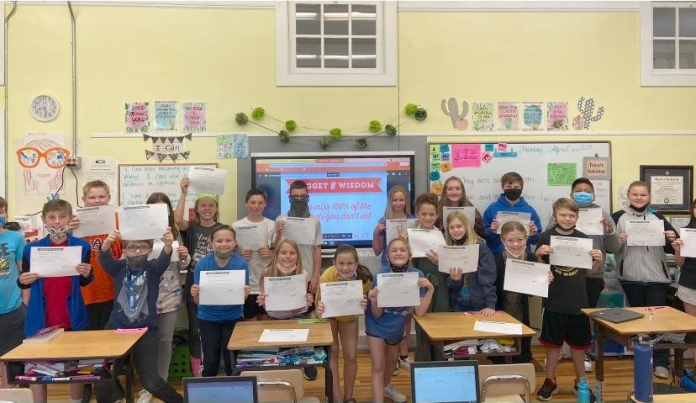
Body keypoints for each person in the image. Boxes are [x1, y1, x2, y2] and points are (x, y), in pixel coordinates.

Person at [94, 228, 183, 403]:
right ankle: (118, 396)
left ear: (149, 251)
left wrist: (167, 244)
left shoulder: (153, 268)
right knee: (101, 377)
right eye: (132, 247)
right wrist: (107, 243)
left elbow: (164, 258)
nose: (137, 251)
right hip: (116, 330)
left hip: (146, 332)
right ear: (124, 251)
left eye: (143, 247)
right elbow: (104, 258)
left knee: (151, 382)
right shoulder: (118, 268)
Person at [19, 199, 92, 403]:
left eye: (62, 217)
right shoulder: (31, 249)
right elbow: (24, 280)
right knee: (36, 370)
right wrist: (22, 280)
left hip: (72, 317)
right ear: (44, 219)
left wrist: (87, 273)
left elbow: (84, 281)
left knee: (75, 368)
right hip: (40, 318)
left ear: (70, 219)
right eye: (52, 217)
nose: (57, 222)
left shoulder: (82, 246)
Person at [548, 177, 620, 371]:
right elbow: (548, 238)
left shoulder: (602, 213)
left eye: (587, 191)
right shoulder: (561, 212)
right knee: (559, 313)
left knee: (583, 316)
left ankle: (584, 351)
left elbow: (614, 247)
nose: (583, 193)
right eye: (579, 190)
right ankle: (558, 348)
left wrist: (610, 231)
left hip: (591, 275)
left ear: (594, 194)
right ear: (571, 194)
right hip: (562, 274)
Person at [535, 198, 603, 402]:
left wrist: (598, 262)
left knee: (579, 347)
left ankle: (581, 382)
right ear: (555, 216)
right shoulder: (545, 237)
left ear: (577, 217)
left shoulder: (584, 239)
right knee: (552, 345)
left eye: (571, 215)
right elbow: (539, 272)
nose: (567, 218)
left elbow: (588, 272)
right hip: (554, 301)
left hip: (578, 301)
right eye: (563, 215)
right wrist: (538, 255)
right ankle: (550, 381)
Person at [612, 180, 678, 379]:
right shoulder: (618, 217)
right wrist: (617, 240)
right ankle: (642, 360)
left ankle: (660, 362)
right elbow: (608, 247)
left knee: (658, 322)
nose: (639, 198)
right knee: (638, 322)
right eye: (635, 194)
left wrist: (671, 237)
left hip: (657, 278)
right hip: (630, 277)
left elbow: (672, 247)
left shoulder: (658, 217)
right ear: (628, 196)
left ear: (649, 197)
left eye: (643, 195)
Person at [69, 180, 122, 403]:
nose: (97, 201)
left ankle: (109, 388)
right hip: (85, 295)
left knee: (109, 345)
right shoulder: (74, 223)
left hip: (112, 292)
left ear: (109, 198)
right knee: (85, 345)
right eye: (92, 197)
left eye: (102, 196)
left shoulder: (117, 221)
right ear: (84, 200)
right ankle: (85, 385)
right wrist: (68, 231)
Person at [365, 237, 434, 403]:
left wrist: (430, 289)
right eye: (394, 250)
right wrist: (374, 301)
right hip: (377, 325)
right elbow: (377, 314)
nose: (398, 253)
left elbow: (419, 312)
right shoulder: (380, 276)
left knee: (391, 363)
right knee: (378, 366)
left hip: (397, 326)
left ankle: (386, 387)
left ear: (410, 256)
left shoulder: (417, 275)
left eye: (403, 250)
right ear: (387, 256)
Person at [137, 192, 191, 403]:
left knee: (165, 340)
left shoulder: (174, 232)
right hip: (144, 295)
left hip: (170, 293)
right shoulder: (139, 232)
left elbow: (183, 264)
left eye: (163, 208)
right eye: (155, 208)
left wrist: (184, 256)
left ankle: (161, 384)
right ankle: (147, 386)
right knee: (145, 342)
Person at [273, 180, 322, 380]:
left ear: (308, 197)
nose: (299, 199)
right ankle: (286, 360)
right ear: (289, 197)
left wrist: (316, 276)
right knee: (284, 318)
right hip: (284, 276)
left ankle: (306, 360)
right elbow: (274, 248)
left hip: (306, 276)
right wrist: (278, 232)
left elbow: (317, 250)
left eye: (303, 196)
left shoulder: (315, 221)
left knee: (305, 319)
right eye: (295, 196)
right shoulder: (281, 219)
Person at [175, 177, 222, 376]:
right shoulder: (192, 228)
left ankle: (214, 366)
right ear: (197, 209)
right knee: (195, 330)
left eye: (211, 205)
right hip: (194, 287)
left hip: (218, 287)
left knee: (216, 329)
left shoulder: (222, 229)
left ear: (216, 208)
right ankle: (198, 371)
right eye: (203, 205)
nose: (207, 208)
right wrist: (183, 193)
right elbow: (178, 220)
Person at [191, 225, 250, 377]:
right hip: (208, 319)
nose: (224, 244)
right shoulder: (202, 264)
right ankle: (208, 390)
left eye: (228, 240)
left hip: (233, 318)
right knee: (210, 362)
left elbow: (242, 298)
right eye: (219, 241)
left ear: (235, 243)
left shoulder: (241, 264)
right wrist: (195, 293)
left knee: (232, 362)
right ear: (212, 243)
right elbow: (197, 301)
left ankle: (235, 389)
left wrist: (245, 294)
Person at [315, 245, 372, 403]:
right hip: (331, 316)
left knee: (351, 356)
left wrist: (365, 304)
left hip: (349, 317)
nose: (345, 268)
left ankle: (349, 396)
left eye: (349, 263)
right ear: (334, 263)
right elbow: (318, 310)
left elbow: (367, 305)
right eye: (341, 263)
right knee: (332, 354)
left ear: (356, 263)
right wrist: (320, 309)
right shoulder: (326, 277)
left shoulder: (365, 279)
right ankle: (337, 397)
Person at [494, 221, 552, 364]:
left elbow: (535, 291)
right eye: (510, 240)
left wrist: (544, 279)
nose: (515, 244)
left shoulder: (531, 258)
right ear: (503, 240)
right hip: (503, 313)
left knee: (523, 351)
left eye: (520, 239)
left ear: (526, 239)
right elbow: (493, 289)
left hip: (524, 315)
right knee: (502, 353)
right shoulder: (497, 261)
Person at [371, 185, 414, 374]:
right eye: (395, 199)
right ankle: (392, 356)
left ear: (406, 201)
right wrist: (376, 233)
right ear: (390, 201)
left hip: (407, 271)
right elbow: (377, 251)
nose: (398, 203)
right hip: (387, 271)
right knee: (390, 313)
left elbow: (414, 250)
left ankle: (403, 355)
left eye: (401, 199)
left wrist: (406, 240)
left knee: (406, 314)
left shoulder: (413, 221)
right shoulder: (383, 221)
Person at [410, 193, 449, 361]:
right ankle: (422, 365)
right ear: (417, 214)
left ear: (437, 215)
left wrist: (442, 262)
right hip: (420, 285)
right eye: (424, 214)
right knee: (422, 323)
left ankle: (440, 363)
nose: (428, 217)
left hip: (441, 285)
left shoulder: (443, 235)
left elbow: (451, 265)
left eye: (432, 214)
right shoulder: (410, 235)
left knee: (440, 323)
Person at [440, 211, 496, 314]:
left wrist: (490, 305)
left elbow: (488, 278)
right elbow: (449, 283)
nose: (456, 230)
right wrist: (455, 280)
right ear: (448, 230)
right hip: (458, 302)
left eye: (459, 226)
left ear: (466, 226)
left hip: (479, 303)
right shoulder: (449, 249)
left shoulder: (480, 246)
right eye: (452, 227)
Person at [232, 188, 274, 320]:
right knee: (249, 325)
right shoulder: (236, 226)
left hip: (267, 283)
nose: (256, 206)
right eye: (253, 202)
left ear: (265, 204)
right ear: (246, 203)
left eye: (260, 203)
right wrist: (239, 255)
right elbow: (229, 254)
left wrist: (271, 253)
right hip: (246, 284)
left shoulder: (272, 225)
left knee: (266, 323)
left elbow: (280, 253)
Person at [0, 197, 27, 388]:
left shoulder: (16, 238)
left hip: (12, 309)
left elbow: (23, 273)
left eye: (0, 211)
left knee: (9, 362)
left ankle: (9, 397)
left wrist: (25, 304)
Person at [483, 172, 542, 255]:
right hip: (497, 256)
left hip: (522, 257)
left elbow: (536, 240)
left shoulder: (530, 210)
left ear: (521, 188)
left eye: (516, 187)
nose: (512, 189)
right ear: (503, 187)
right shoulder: (492, 209)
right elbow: (483, 235)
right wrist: (491, 231)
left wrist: (533, 235)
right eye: (508, 187)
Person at [257, 239, 314, 320]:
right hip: (275, 316)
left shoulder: (303, 274)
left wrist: (305, 303)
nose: (288, 256)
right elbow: (267, 306)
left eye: (292, 253)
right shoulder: (267, 273)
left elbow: (299, 307)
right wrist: (264, 302)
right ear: (276, 255)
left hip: (296, 315)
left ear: (298, 256)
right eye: (283, 253)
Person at [672, 199, 696, 361]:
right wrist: (678, 250)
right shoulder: (687, 232)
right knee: (693, 327)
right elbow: (679, 263)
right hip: (690, 285)